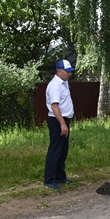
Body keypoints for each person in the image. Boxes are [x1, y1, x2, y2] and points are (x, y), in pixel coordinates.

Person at [43, 59, 75, 190]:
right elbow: (54, 106)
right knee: (55, 150)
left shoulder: (64, 83)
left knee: (63, 150)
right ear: (59, 72)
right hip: (57, 120)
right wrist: (62, 124)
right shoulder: (55, 85)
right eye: (67, 72)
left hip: (64, 120)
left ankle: (60, 176)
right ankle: (49, 179)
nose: (70, 74)